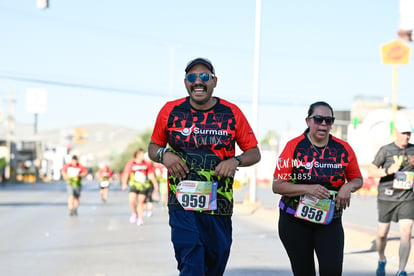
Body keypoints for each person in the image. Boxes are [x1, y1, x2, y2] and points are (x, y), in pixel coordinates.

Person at [147, 57, 261, 276]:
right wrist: (165, 155)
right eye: (192, 77)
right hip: (181, 204)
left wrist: (235, 161)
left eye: (204, 77)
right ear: (185, 82)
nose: (198, 81)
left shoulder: (232, 112)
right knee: (192, 264)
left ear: (214, 81)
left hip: (219, 205)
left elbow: (254, 152)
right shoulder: (170, 110)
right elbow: (153, 147)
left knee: (214, 264)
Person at [272, 101, 363, 276]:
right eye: (318, 119)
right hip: (294, 222)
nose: (323, 124)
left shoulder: (343, 149)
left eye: (328, 120)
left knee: (332, 271)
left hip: (329, 222)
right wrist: (308, 189)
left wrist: (348, 186)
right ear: (308, 121)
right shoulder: (294, 146)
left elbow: (357, 179)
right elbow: (277, 185)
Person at [367, 115, 414, 276]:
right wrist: (387, 171)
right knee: (381, 234)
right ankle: (381, 258)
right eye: (403, 133)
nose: (406, 136)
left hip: (407, 198)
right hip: (387, 197)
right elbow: (371, 170)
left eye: (409, 133)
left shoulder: (413, 150)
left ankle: (401, 270)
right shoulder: (386, 150)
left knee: (406, 232)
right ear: (396, 132)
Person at [121, 149, 159, 226]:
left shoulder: (146, 164)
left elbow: (151, 174)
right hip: (134, 184)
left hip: (143, 185)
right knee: (132, 199)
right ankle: (134, 213)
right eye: (141, 155)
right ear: (137, 155)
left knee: (141, 202)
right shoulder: (131, 163)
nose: (143, 157)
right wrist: (124, 183)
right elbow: (126, 173)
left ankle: (140, 218)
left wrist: (155, 184)